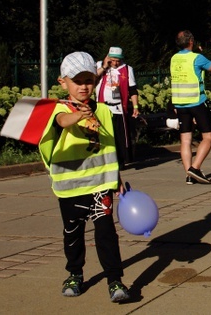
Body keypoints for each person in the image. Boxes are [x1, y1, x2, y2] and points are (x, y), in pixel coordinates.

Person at [39, 52, 129, 302]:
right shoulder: (59, 108)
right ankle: (74, 274)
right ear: (63, 82)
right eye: (77, 81)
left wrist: (117, 177)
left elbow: (108, 147)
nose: (83, 86)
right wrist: (78, 115)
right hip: (71, 186)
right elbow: (62, 121)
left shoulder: (103, 111)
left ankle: (115, 280)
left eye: (88, 80)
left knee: (106, 232)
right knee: (73, 232)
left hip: (100, 185)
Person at [170, 30, 211, 184]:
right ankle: (195, 168)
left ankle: (188, 175)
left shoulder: (174, 58)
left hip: (180, 103)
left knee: (185, 139)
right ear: (191, 41)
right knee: (208, 136)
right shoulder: (196, 58)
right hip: (197, 101)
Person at [95, 47, 139, 169]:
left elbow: (133, 90)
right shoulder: (100, 66)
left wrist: (135, 106)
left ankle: (120, 161)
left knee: (119, 136)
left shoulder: (127, 69)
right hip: (103, 107)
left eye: (117, 61)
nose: (115, 63)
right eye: (112, 60)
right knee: (105, 135)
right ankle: (104, 160)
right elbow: (92, 80)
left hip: (119, 107)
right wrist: (104, 66)